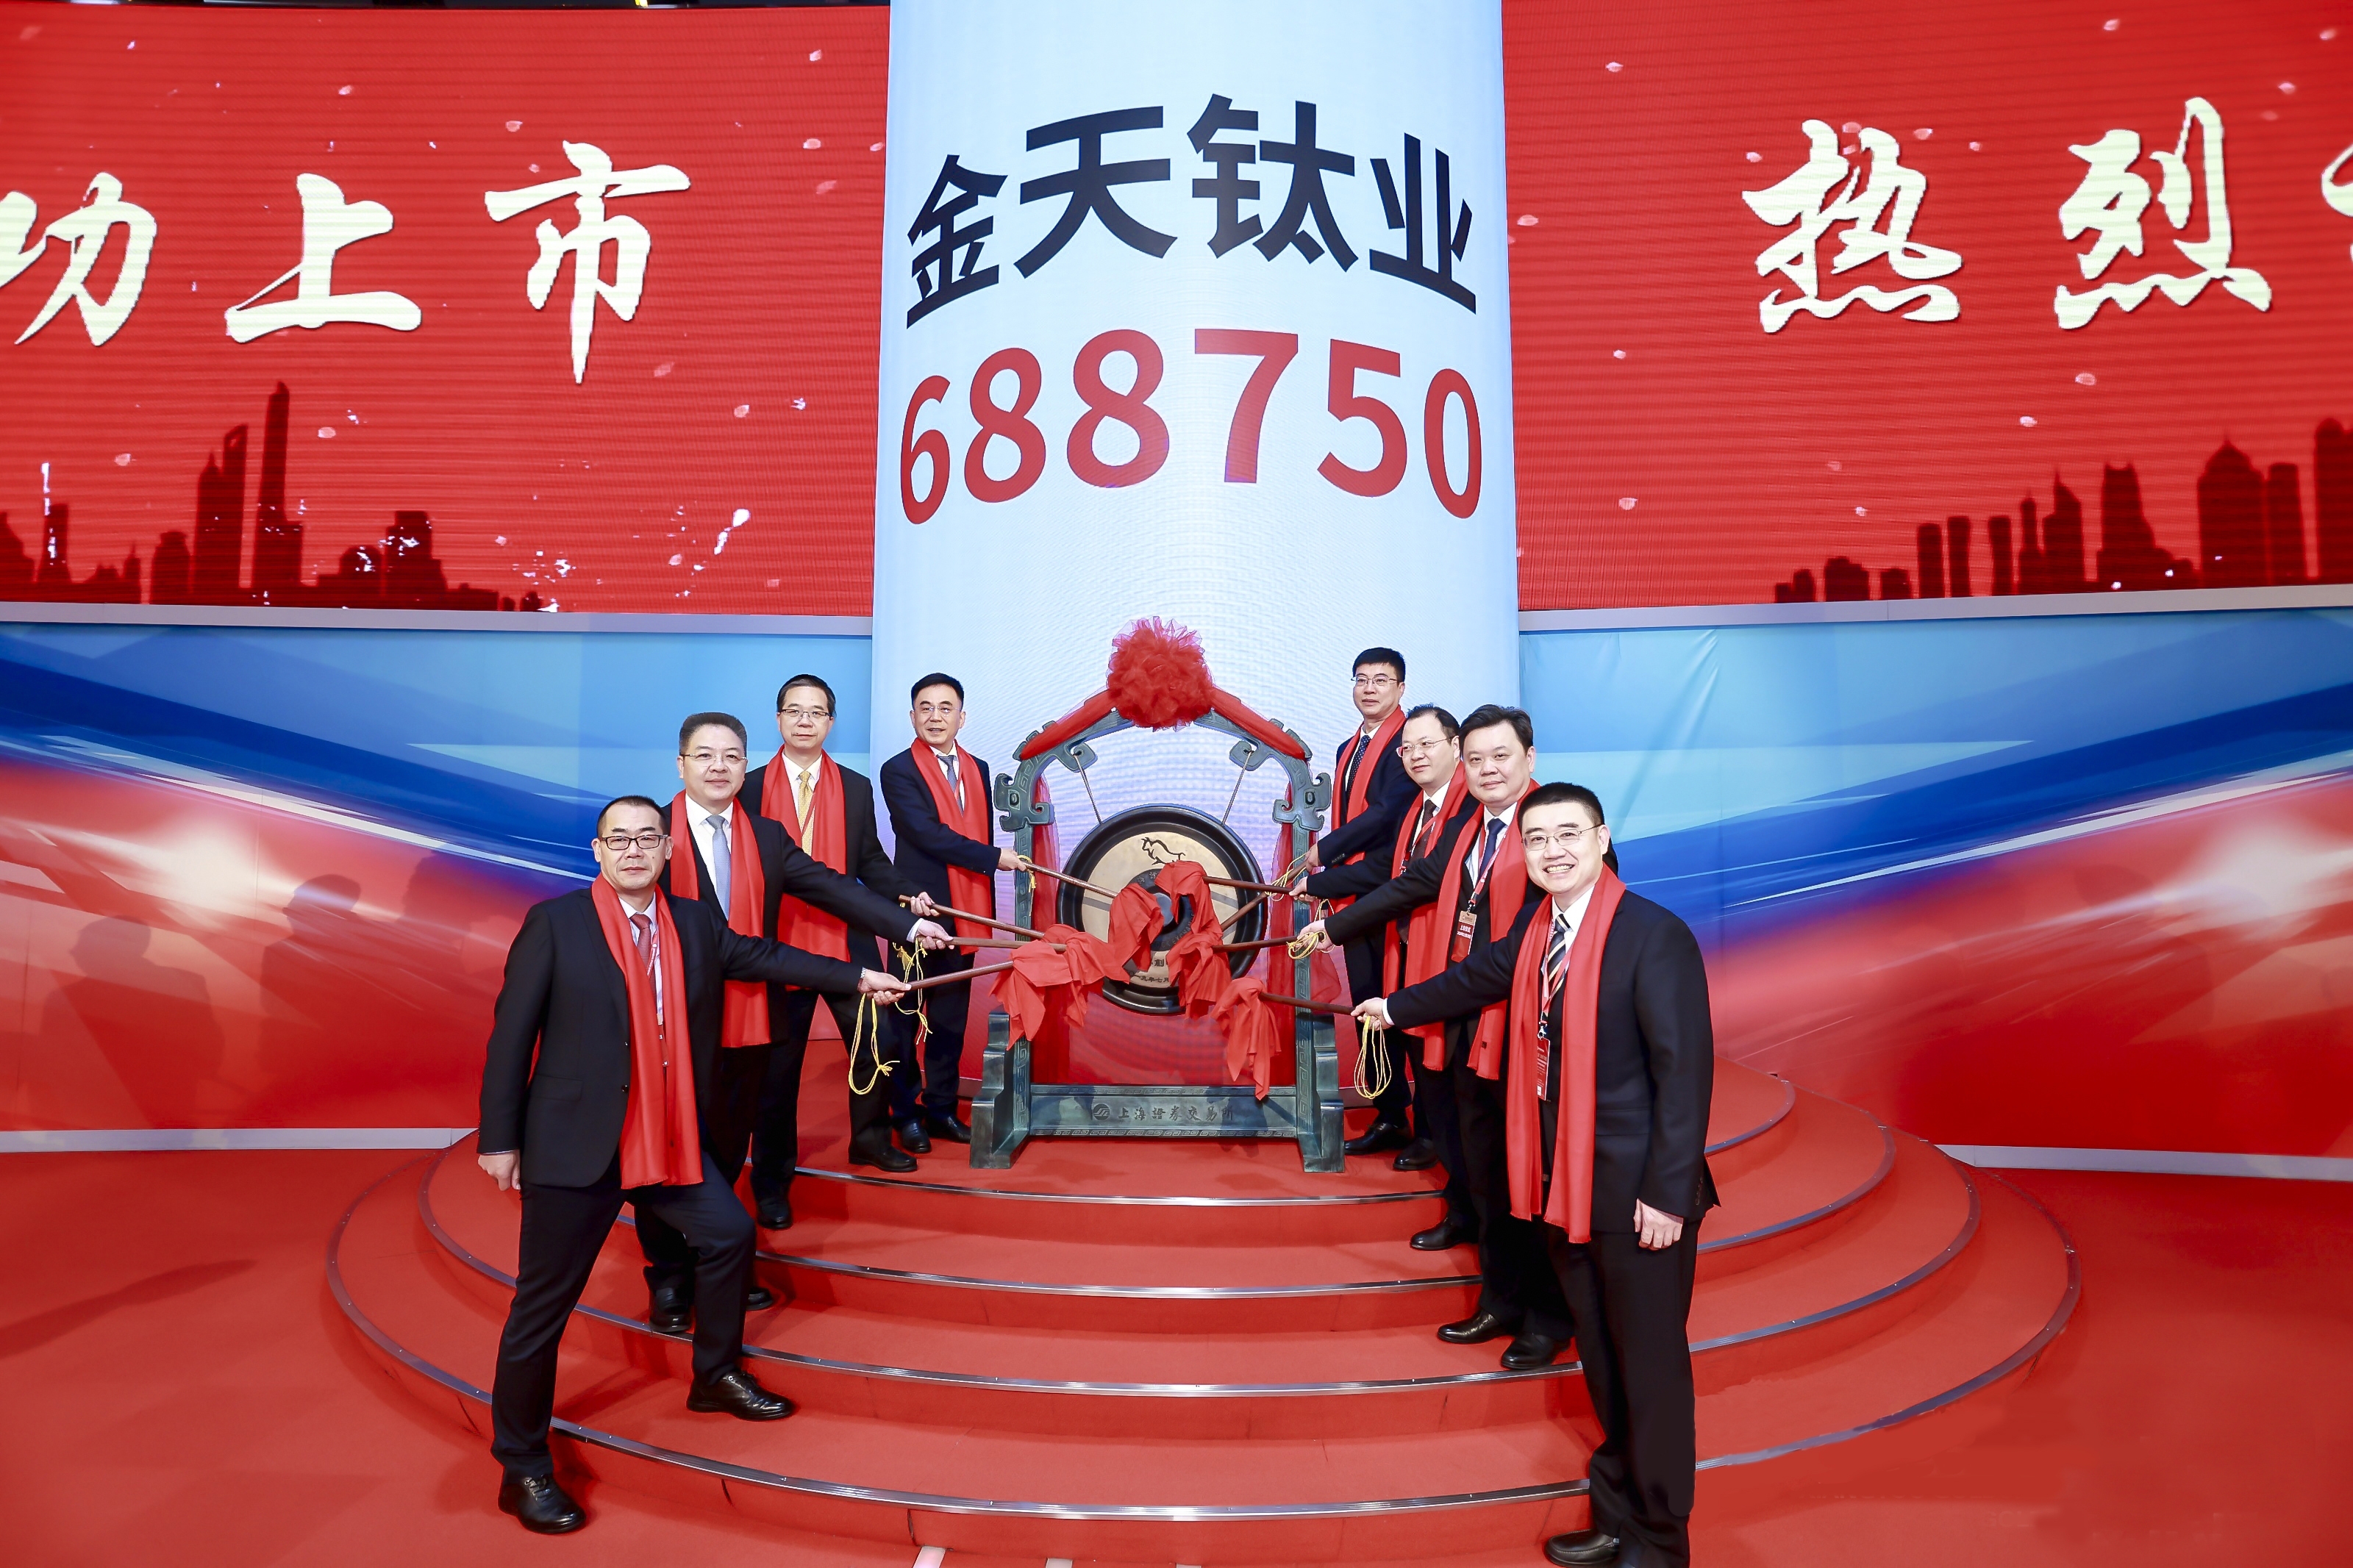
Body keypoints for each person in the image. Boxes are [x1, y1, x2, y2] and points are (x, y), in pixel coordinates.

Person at [476, 796, 913, 1535]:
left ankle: (713, 1375)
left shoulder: (693, 922)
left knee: (729, 1234)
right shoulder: (555, 923)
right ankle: (521, 1466)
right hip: (577, 1143)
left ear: (668, 849)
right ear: (597, 851)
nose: (634, 850)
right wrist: (500, 1139)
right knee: (540, 1311)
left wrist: (858, 978)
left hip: (667, 1136)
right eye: (619, 839)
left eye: (647, 838)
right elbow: (511, 1035)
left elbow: (767, 957)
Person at [1354, 783, 1714, 1568]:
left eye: (1568, 834)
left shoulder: (1653, 935)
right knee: (1605, 1366)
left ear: (1601, 838)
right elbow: (1472, 977)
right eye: (1538, 838)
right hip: (1561, 1187)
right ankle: (1617, 1513)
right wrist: (1393, 1007)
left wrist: (1666, 1194)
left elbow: (1683, 1077)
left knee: (1649, 1373)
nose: (1553, 851)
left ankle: (1660, 1540)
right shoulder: (1537, 932)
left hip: (1636, 1197)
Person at [636, 713, 948, 1330]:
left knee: (727, 1151)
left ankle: (716, 1264)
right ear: (681, 764)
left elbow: (835, 887)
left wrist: (909, 925)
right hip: (668, 1024)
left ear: (744, 764)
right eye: (705, 755)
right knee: (667, 1154)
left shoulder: (766, 834)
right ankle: (669, 1277)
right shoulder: (652, 835)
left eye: (731, 755)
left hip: (749, 1017)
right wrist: (857, 975)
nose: (719, 767)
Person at [1299, 705, 1574, 1372]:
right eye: (1477, 759)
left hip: (1526, 1035)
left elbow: (1510, 959)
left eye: (1500, 756)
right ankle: (1502, 1299)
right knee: (1485, 1171)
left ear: (1530, 758)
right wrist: (1334, 926)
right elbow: (1417, 882)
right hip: (1466, 1026)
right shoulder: (1469, 827)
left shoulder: (1554, 833)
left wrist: (1401, 1005)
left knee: (1535, 1182)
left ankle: (1548, 1317)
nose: (1487, 770)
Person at [744, 674, 939, 1209]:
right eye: (794, 711)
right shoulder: (749, 786)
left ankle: (870, 1140)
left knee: (879, 1042)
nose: (805, 721)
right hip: (777, 943)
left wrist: (907, 896)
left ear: (831, 722)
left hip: (847, 939)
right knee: (777, 1068)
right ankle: (772, 1178)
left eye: (816, 712)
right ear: (778, 719)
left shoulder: (855, 786)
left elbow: (870, 862)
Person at [1299, 704, 1476, 1221]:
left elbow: (1411, 878)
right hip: (1400, 935)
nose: (1415, 755)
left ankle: (1445, 1166)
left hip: (1447, 952)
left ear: (1455, 747)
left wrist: (1328, 897)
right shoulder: (1418, 807)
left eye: (1427, 745)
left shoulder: (1466, 811)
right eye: (1408, 748)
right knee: (1390, 1029)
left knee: (1442, 1066)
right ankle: (1402, 1123)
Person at [877, 673, 1021, 1151]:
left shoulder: (978, 767)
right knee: (906, 1015)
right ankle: (905, 1113)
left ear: (962, 717)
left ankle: (940, 1109)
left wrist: (988, 862)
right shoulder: (898, 770)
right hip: (919, 908)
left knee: (950, 1020)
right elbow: (925, 833)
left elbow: (975, 831)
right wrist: (993, 857)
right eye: (926, 707)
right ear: (912, 716)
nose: (935, 717)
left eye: (945, 708)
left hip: (966, 910)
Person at [1298, 647, 1418, 1153]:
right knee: (1369, 1004)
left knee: (1400, 1007)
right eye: (1361, 679)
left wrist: (1325, 853)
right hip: (1358, 894)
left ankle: (1424, 1126)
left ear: (1401, 688)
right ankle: (1391, 1115)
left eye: (1381, 680)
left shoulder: (1408, 745)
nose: (1369, 689)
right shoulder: (1350, 746)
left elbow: (1385, 816)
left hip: (1395, 896)